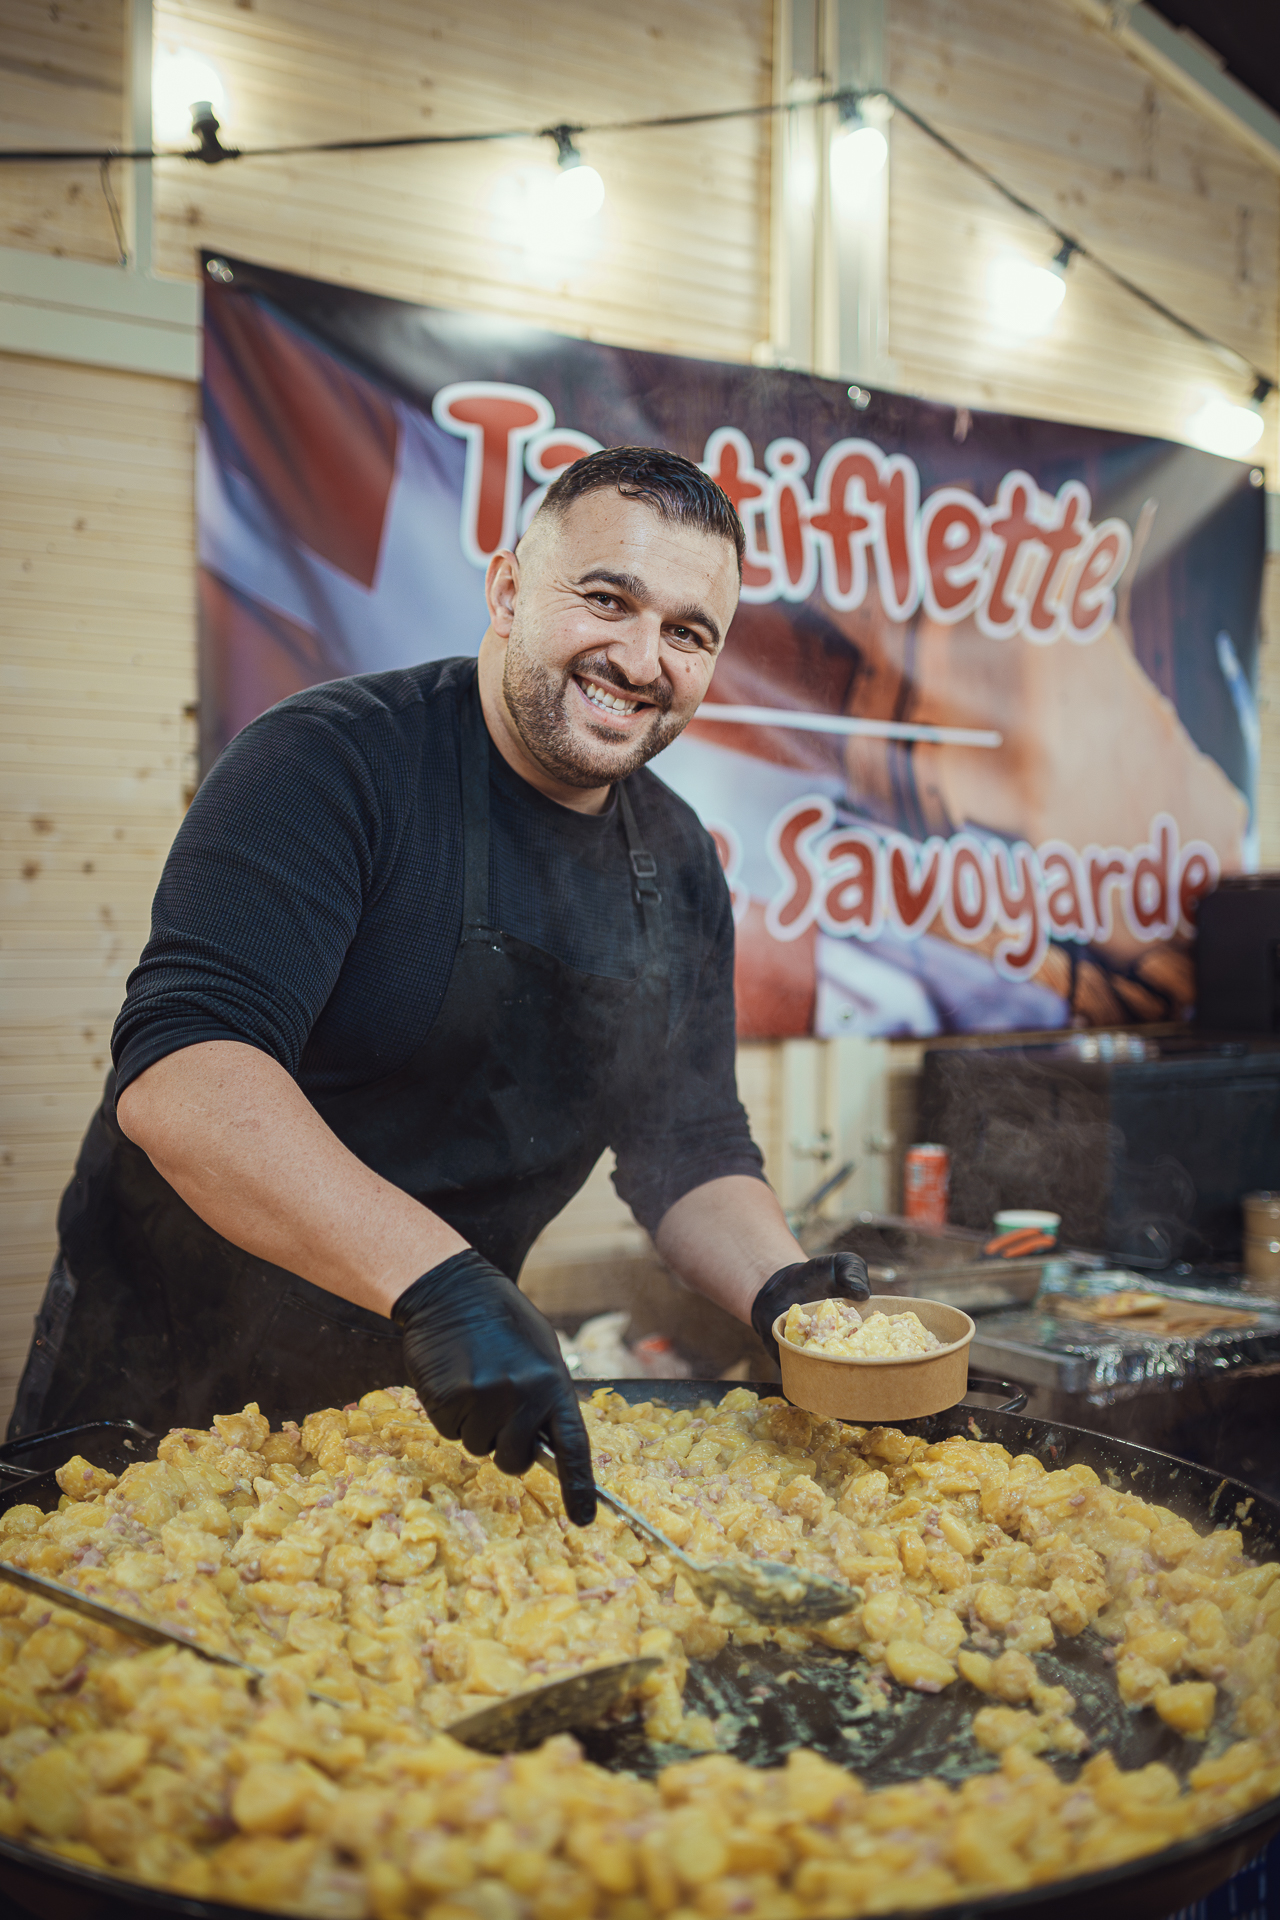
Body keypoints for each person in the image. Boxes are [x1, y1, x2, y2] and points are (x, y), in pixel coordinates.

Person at [14, 447, 868, 1525]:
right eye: (607, 599)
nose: (640, 658)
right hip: (165, 1386)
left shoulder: (678, 861)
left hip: (436, 1414)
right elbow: (183, 1075)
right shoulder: (330, 763)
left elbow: (689, 1148)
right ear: (507, 591)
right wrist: (440, 1281)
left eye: (688, 633)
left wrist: (785, 1297)